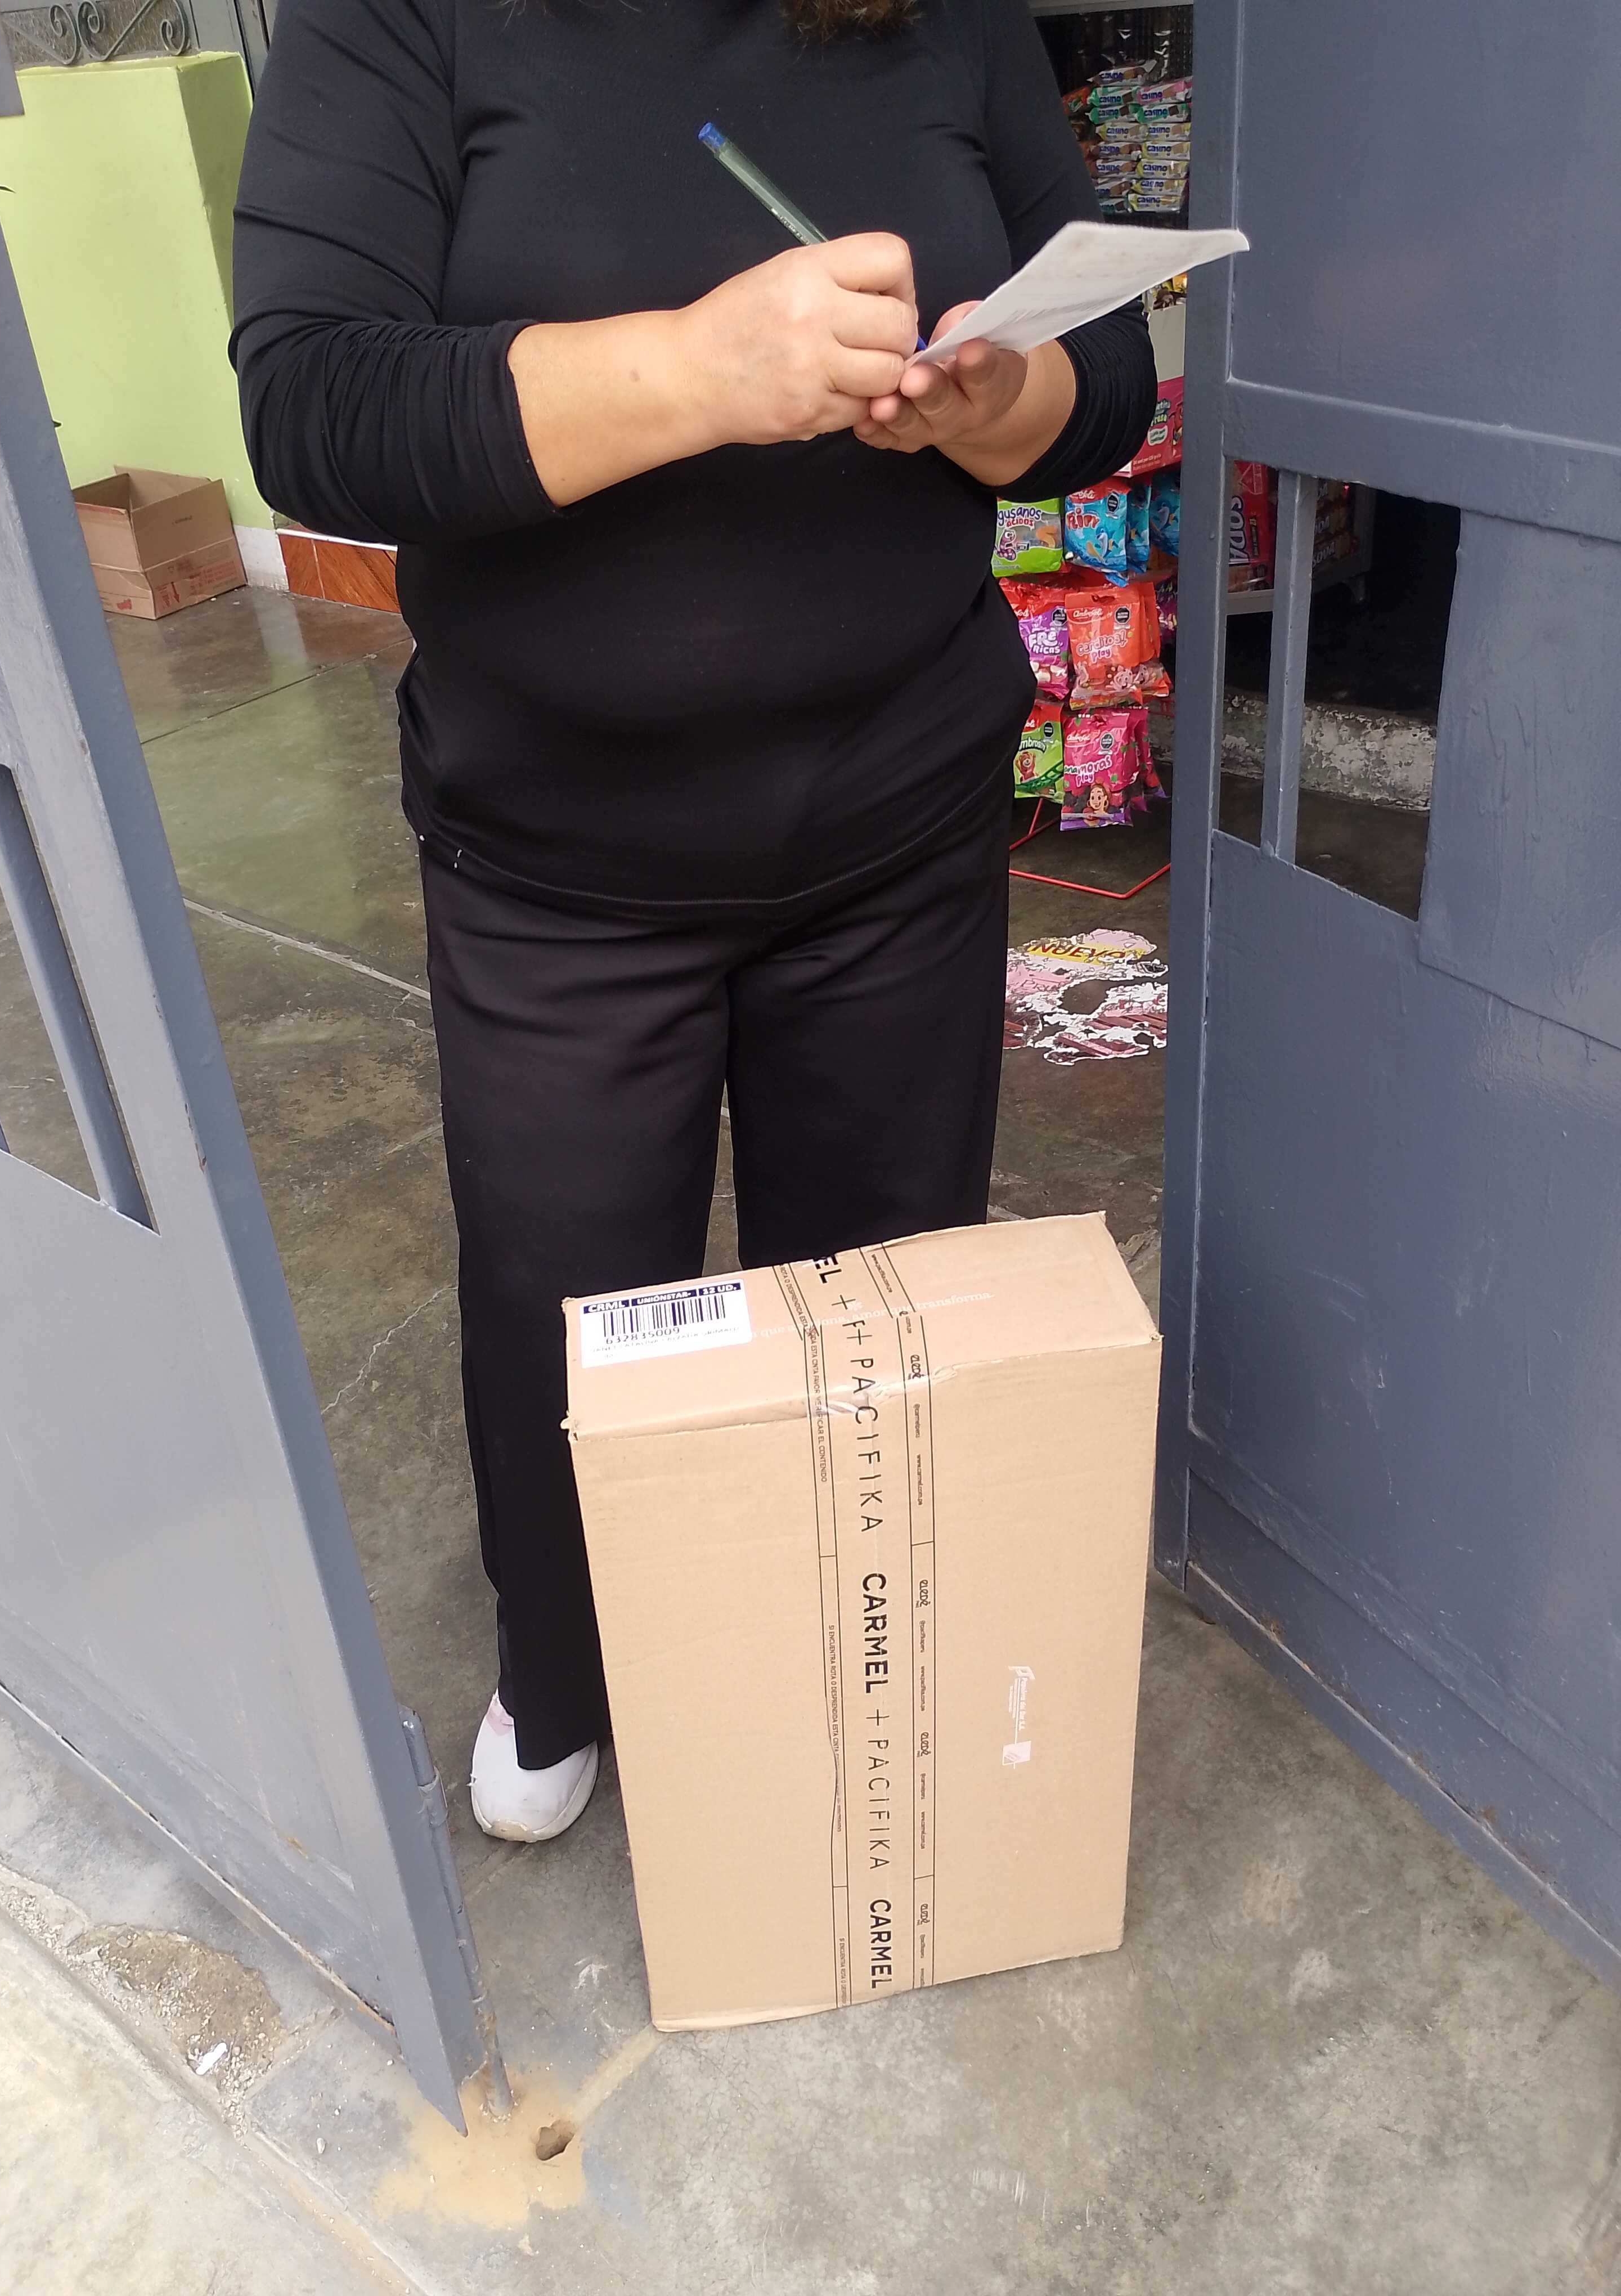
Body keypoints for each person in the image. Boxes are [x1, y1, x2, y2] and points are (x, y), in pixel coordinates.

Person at [231, 0, 1155, 1842]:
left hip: (899, 832)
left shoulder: (942, 17)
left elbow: (1108, 375)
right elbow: (315, 407)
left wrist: (998, 402)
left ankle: (846, 1652)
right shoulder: (404, 18)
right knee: (570, 1314)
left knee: (871, 1305)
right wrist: (698, 371)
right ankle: (568, 1669)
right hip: (562, 868)